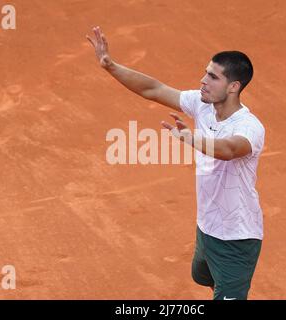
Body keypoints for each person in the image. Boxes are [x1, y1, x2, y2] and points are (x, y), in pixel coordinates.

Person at [86, 26, 265, 300]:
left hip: (236, 239)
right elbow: (153, 89)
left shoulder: (249, 126)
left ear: (233, 87)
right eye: (206, 72)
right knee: (202, 275)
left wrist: (192, 139)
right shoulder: (203, 105)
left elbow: (229, 149)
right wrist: (111, 66)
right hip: (207, 226)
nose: (203, 80)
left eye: (213, 77)